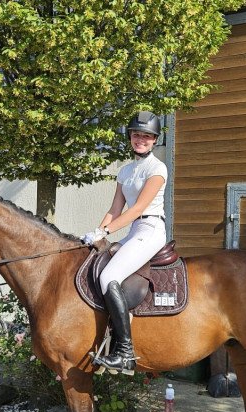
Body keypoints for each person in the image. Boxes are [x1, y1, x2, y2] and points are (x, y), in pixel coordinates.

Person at [82, 111, 168, 374]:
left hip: (151, 227)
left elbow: (138, 207)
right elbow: (116, 208)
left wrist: (105, 231)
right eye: (136, 134)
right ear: (130, 137)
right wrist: (97, 231)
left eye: (146, 136)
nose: (140, 139)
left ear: (154, 140)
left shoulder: (157, 168)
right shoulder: (125, 171)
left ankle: (125, 353)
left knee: (109, 276)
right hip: (134, 229)